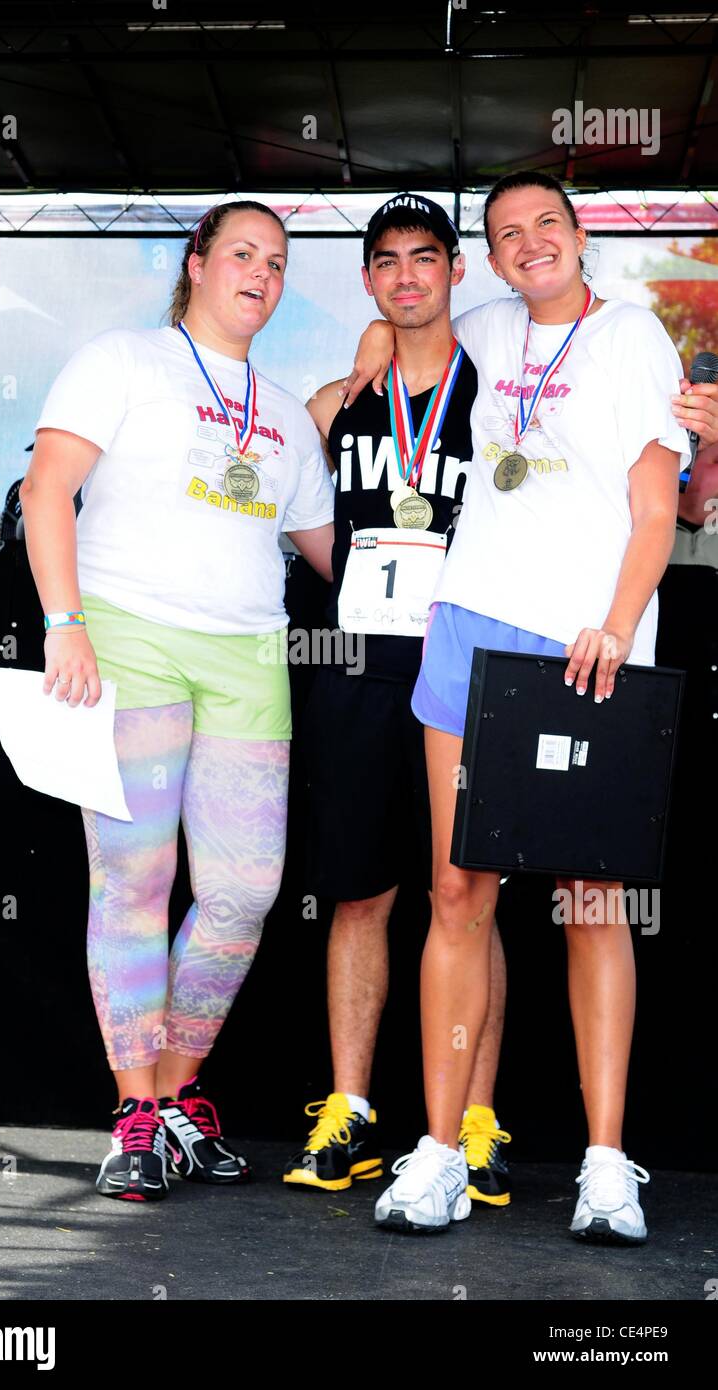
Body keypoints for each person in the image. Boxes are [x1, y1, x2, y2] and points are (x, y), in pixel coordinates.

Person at [347, 172, 691, 1242]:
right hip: (468, 628)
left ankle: (602, 1164)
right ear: (487, 259)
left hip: (588, 644)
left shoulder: (634, 339)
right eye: (508, 233)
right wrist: (368, 346)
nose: (530, 242)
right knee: (457, 892)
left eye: (548, 223)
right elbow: (399, 321)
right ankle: (439, 1152)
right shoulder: (485, 326)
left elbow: (655, 507)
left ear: (581, 236)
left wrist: (616, 621)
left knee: (591, 902)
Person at [20, 202, 335, 1202]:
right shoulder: (123, 358)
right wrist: (64, 621)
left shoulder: (286, 414)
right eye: (241, 253)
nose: (260, 272)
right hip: (128, 635)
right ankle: (135, 1114)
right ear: (195, 265)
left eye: (277, 263)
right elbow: (43, 490)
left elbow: (338, 555)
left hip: (247, 650)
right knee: (136, 880)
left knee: (243, 886)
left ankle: (175, 1091)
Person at [282, 195, 513, 1210]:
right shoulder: (338, 400)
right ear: (369, 280)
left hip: (468, 662)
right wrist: (355, 584)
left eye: (427, 257)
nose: (408, 276)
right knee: (360, 888)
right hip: (361, 664)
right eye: (388, 263)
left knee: (465, 893)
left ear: (457, 271)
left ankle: (472, 1117)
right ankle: (350, 1111)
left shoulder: (499, 386)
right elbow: (298, 517)